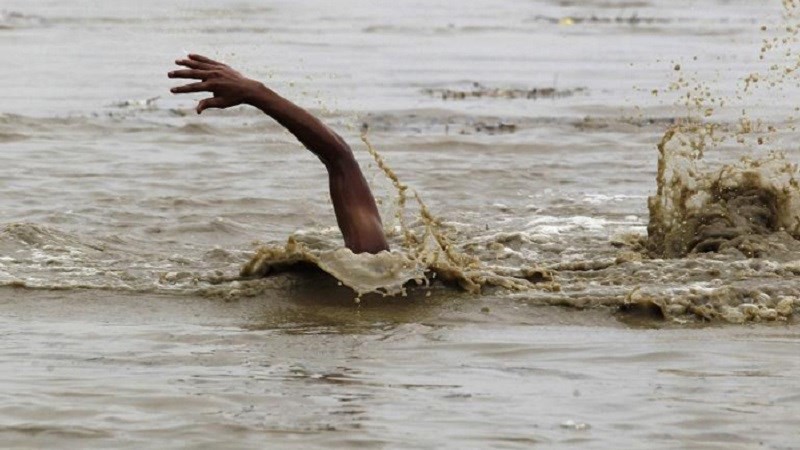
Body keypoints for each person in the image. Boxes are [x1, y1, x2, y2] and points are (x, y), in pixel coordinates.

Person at [168, 54, 390, 254]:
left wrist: (254, 92)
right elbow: (340, 158)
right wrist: (254, 92)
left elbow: (339, 157)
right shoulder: (372, 267)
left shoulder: (372, 264)